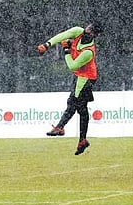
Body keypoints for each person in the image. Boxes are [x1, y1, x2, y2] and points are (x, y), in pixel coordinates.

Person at [36, 21, 103, 155]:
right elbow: (62, 36)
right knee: (81, 108)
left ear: (95, 35)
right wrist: (47, 45)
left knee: (73, 103)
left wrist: (66, 51)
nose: (87, 31)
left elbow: (73, 66)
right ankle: (82, 140)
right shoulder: (78, 31)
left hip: (86, 78)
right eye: (88, 28)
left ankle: (61, 128)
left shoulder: (88, 52)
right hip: (79, 76)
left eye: (91, 31)